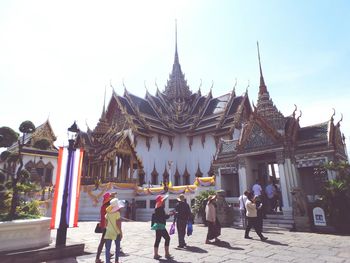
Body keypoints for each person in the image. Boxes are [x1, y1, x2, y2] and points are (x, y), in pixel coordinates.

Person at [151, 194, 174, 259]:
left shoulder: (157, 207)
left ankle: (156, 254)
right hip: (161, 226)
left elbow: (161, 216)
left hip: (157, 226)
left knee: (157, 239)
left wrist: (168, 214)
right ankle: (167, 254)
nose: (164, 202)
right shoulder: (160, 208)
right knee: (167, 238)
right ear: (161, 201)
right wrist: (170, 214)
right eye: (163, 201)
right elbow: (164, 217)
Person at [105, 197, 124, 263]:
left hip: (108, 232)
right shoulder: (117, 214)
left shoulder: (107, 214)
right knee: (117, 247)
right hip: (116, 232)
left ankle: (107, 261)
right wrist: (121, 233)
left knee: (107, 249)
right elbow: (118, 224)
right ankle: (116, 261)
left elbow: (106, 224)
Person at [95, 192, 112, 263]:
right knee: (103, 242)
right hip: (106, 226)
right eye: (109, 197)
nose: (110, 198)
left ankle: (108, 254)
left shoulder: (103, 205)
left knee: (105, 241)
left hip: (104, 225)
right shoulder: (107, 206)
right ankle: (97, 258)